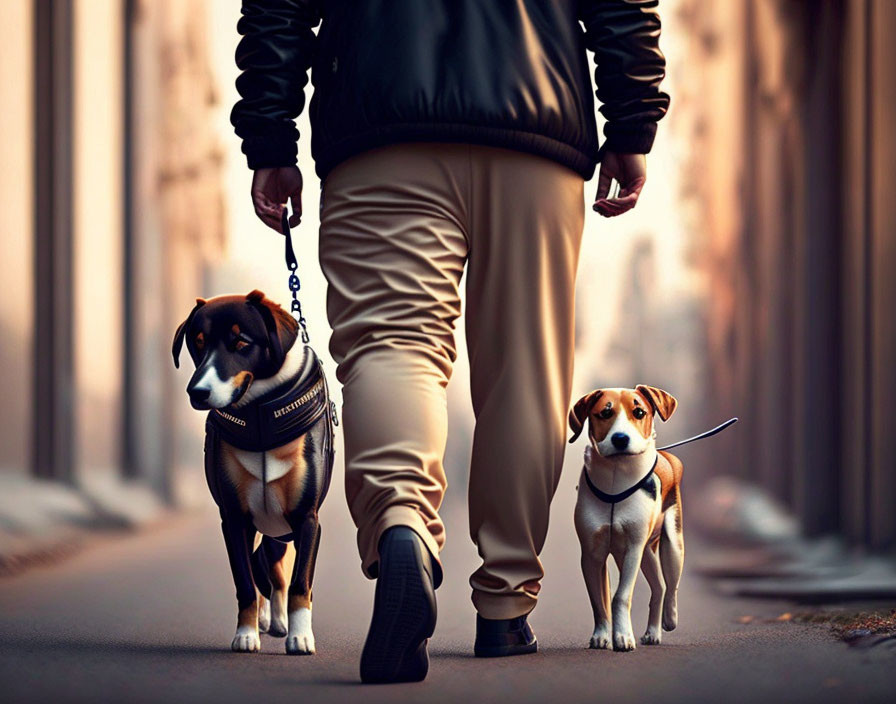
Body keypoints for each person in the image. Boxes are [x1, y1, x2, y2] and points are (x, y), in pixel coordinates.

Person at [231, 0, 669, 683]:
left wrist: (270, 138)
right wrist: (631, 124)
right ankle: (505, 605)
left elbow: (278, 7)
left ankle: (402, 524)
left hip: (379, 124)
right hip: (536, 124)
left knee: (391, 348)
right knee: (526, 370)